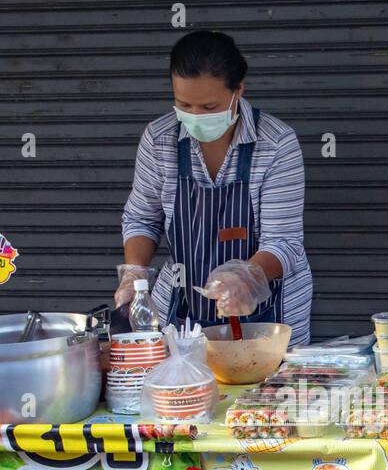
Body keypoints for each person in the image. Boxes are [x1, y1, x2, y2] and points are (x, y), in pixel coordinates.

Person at [118, 30, 313, 344]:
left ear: (238, 90)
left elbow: (283, 242)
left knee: (267, 391)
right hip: (181, 306)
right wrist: (135, 272)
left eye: (209, 107)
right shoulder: (159, 139)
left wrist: (246, 279)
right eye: (184, 105)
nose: (195, 117)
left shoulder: (277, 143)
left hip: (270, 313)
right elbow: (142, 218)